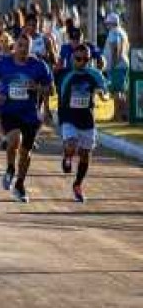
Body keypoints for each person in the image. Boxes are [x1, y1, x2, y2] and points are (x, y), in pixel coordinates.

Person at [0, 35, 54, 203]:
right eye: (20, 45)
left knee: (26, 152)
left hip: (30, 115)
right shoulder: (4, 63)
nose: (23, 49)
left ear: (30, 48)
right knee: (14, 140)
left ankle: (19, 184)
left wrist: (37, 88)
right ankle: (10, 168)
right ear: (14, 46)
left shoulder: (39, 66)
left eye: (26, 46)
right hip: (9, 111)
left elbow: (50, 89)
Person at [55, 44, 108, 203]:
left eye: (86, 59)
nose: (82, 62)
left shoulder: (94, 74)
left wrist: (104, 96)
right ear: (72, 58)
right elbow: (60, 95)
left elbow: (104, 91)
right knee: (71, 144)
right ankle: (67, 156)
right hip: (69, 117)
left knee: (85, 155)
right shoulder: (66, 75)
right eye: (79, 59)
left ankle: (77, 185)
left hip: (87, 120)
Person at [102, 13, 129, 122]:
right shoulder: (122, 32)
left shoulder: (114, 32)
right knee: (120, 90)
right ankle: (120, 114)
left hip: (117, 66)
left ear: (111, 23)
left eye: (108, 23)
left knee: (116, 91)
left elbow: (116, 48)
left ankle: (119, 115)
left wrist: (113, 64)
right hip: (122, 64)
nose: (107, 26)